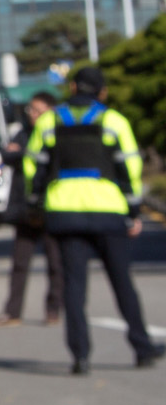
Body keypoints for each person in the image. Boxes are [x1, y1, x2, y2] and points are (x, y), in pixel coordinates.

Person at [22, 67, 160, 374]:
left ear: (72, 87)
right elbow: (130, 168)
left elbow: (34, 167)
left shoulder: (49, 122)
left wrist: (35, 205)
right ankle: (142, 348)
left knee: (74, 286)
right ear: (103, 92)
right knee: (122, 282)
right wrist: (133, 212)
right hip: (108, 211)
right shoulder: (114, 121)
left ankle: (80, 356)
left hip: (64, 211)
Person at [0, 92, 64, 327]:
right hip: (25, 208)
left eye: (39, 111)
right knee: (20, 262)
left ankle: (53, 309)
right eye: (31, 110)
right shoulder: (22, 132)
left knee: (55, 262)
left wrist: (21, 153)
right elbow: (6, 154)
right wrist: (17, 153)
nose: (33, 115)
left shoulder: (56, 133)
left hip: (50, 206)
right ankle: (12, 312)